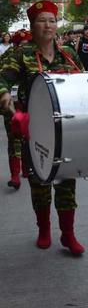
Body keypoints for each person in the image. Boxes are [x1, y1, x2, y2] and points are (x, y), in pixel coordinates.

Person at [0, 0, 85, 255]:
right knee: (40, 186)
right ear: (32, 25)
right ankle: (44, 229)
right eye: (41, 21)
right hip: (35, 131)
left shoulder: (68, 53)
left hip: (67, 131)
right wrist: (7, 100)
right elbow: (1, 79)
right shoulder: (21, 54)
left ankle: (68, 235)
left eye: (51, 20)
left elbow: (84, 82)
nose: (48, 25)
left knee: (67, 183)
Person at [2, 30, 32, 190]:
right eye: (21, 45)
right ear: (15, 45)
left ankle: (27, 169)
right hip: (12, 105)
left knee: (28, 137)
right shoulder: (7, 58)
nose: (24, 48)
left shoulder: (35, 56)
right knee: (14, 138)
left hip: (30, 103)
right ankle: (15, 176)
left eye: (27, 44)